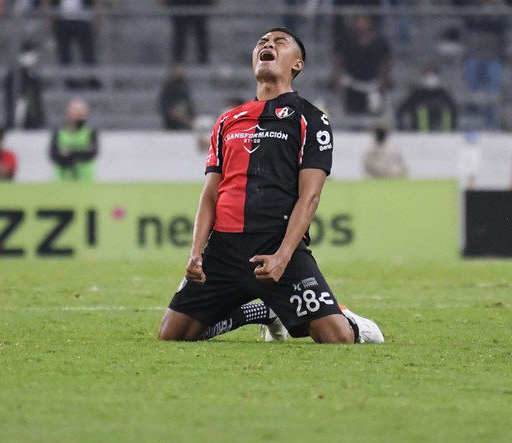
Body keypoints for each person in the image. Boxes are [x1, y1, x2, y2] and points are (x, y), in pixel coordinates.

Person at [158, 27, 383, 344]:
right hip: (224, 249)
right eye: (262, 42)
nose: (268, 45)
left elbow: (311, 195)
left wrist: (282, 256)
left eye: (280, 42)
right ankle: (260, 312)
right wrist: (196, 253)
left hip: (277, 243)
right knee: (172, 335)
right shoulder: (227, 121)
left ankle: (354, 323)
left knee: (335, 338)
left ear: (297, 64)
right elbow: (210, 193)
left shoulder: (310, 119)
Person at [396, 67, 459, 132]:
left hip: (441, 134)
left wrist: (453, 128)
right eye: (428, 75)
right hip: (419, 133)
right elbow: (401, 110)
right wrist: (402, 128)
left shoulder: (443, 94)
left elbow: (454, 109)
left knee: (446, 109)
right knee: (422, 109)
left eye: (432, 76)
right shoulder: (417, 94)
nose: (430, 78)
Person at [50, 99, 99, 181]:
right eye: (77, 112)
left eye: (82, 113)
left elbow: (92, 153)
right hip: (62, 179)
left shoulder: (90, 132)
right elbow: (54, 154)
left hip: (85, 180)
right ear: (68, 113)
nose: (80, 116)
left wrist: (68, 153)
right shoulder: (59, 132)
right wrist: (80, 153)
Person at [158, 64, 196, 131]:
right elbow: (164, 102)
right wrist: (171, 111)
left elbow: (188, 101)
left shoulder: (184, 86)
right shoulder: (168, 87)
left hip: (183, 116)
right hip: (171, 118)